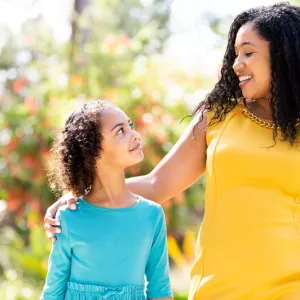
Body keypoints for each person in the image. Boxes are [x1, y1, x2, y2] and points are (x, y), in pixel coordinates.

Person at [44, 2, 300, 299]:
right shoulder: (219, 116)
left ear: (283, 54)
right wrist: (81, 196)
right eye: (235, 53)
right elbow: (158, 184)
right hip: (218, 289)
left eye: (249, 52)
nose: (236, 63)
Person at [41, 100, 173, 300]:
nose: (135, 135)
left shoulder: (152, 215)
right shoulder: (69, 217)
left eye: (131, 126)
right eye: (120, 131)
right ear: (92, 151)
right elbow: (53, 293)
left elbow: (160, 292)